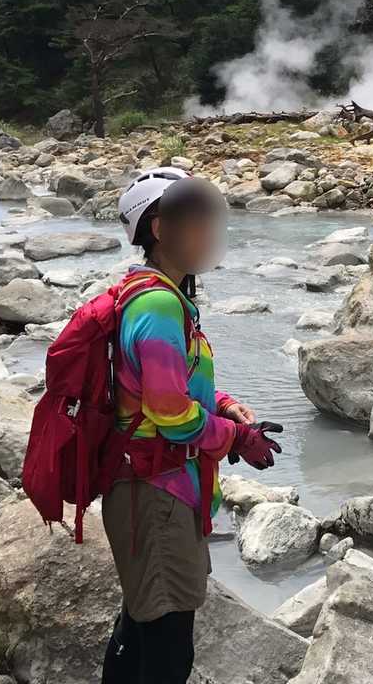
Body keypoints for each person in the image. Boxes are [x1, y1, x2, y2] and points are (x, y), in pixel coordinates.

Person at [102, 168, 282, 684]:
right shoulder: (159, 302)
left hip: (155, 490)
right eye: (196, 220)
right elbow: (168, 411)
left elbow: (163, 386)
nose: (209, 232)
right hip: (155, 493)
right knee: (167, 648)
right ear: (160, 229)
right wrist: (236, 437)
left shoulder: (159, 295)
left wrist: (222, 404)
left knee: (143, 626)